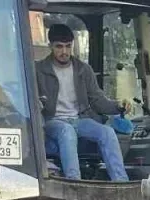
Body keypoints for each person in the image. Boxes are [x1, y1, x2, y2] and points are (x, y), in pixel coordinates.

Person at [36, 24, 129, 181]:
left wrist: (118, 106)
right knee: (67, 131)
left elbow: (98, 100)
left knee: (107, 132)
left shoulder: (83, 70)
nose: (64, 52)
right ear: (50, 46)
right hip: (53, 121)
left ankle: (121, 182)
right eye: (59, 47)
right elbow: (32, 99)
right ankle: (75, 182)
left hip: (79, 120)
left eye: (68, 46)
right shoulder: (38, 69)